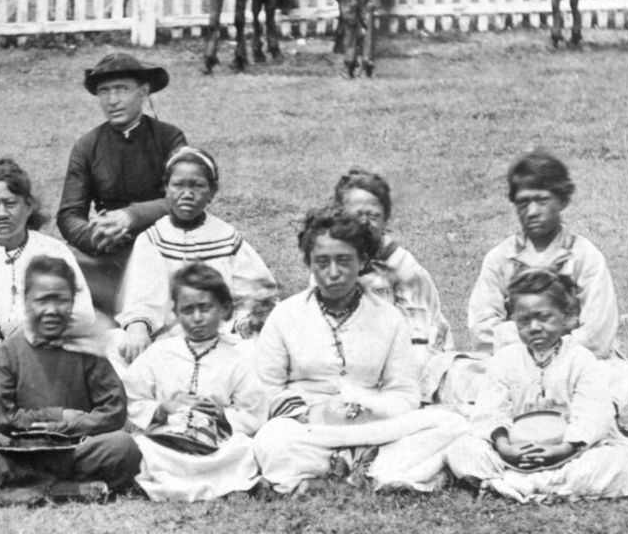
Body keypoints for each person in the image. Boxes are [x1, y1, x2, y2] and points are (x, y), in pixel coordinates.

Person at [252, 207, 467, 494]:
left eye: (343, 261)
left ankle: (349, 468)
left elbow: (404, 391)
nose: (333, 273)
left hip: (373, 426)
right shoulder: (285, 315)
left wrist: (371, 408)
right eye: (322, 262)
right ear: (309, 263)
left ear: (362, 261)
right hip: (309, 427)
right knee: (272, 440)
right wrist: (313, 412)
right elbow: (265, 390)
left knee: (449, 425)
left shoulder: (388, 318)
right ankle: (366, 470)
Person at [465, 151, 628, 429]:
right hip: (514, 360)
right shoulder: (500, 258)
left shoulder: (585, 257)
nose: (532, 211)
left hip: (577, 359)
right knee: (460, 379)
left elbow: (598, 334)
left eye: (542, 200)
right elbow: (482, 326)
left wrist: (556, 350)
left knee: (615, 389)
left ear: (562, 200)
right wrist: (524, 348)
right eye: (523, 202)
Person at [0, 256, 142, 505]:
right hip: (18, 448)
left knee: (124, 447)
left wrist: (67, 429)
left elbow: (114, 411)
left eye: (60, 300)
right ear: (26, 302)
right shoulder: (10, 350)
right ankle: (67, 489)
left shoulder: (87, 346)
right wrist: (58, 417)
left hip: (73, 447)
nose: (51, 310)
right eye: (41, 300)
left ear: (72, 302)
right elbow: (0, 418)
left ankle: (21, 490)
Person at [447, 268, 628, 502]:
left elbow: (593, 414)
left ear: (566, 317)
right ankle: (540, 486)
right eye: (524, 321)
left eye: (544, 317)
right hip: (514, 454)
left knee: (618, 463)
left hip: (569, 453)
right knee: (462, 449)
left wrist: (565, 448)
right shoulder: (505, 359)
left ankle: (510, 485)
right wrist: (504, 446)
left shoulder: (581, 360)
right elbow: (491, 410)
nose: (535, 327)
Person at [113, 146, 276, 368]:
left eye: (198, 186)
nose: (187, 193)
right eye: (178, 185)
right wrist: (138, 327)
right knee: (116, 346)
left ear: (212, 192)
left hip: (220, 337)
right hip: (167, 337)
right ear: (166, 189)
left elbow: (254, 294)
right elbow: (142, 296)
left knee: (260, 349)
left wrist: (246, 322)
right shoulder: (153, 239)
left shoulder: (227, 238)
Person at [123, 262, 268, 501]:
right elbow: (133, 395)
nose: (197, 318)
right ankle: (204, 484)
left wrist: (223, 415)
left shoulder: (240, 356)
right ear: (176, 312)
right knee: (141, 447)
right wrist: (161, 409)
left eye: (205, 308)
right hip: (167, 438)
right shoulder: (160, 352)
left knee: (244, 449)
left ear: (224, 308)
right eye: (188, 310)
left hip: (219, 442)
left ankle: (225, 483)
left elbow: (253, 409)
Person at [57, 52, 187, 315]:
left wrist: (131, 216)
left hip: (162, 243)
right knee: (57, 266)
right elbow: (69, 214)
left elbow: (183, 197)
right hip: (108, 252)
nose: (112, 100)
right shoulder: (87, 146)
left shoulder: (169, 138)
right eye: (104, 91)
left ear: (143, 91)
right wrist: (96, 236)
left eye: (122, 90)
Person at [0, 158, 99, 353]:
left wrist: (35, 333)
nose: (1, 213)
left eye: (10, 203)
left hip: (46, 352)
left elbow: (82, 313)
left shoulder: (53, 252)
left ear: (29, 206)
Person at [333, 168, 453, 364]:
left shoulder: (401, 266)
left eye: (373, 216)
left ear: (385, 219)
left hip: (409, 355)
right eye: (356, 215)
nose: (364, 223)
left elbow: (420, 335)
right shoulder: (330, 262)